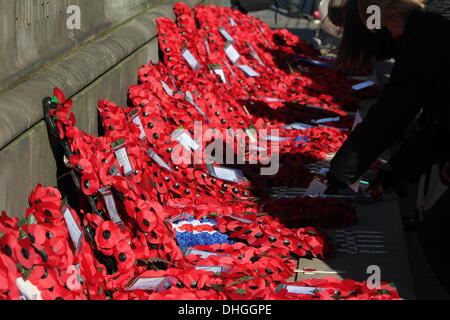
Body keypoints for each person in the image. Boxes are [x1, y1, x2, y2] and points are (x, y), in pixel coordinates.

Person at [326, 0, 450, 294]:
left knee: (438, 236)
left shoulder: (430, 32)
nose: (391, 36)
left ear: (394, 13)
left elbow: (397, 107)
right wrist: (396, 173)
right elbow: (437, 122)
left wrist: (342, 170)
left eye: (387, 26)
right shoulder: (434, 23)